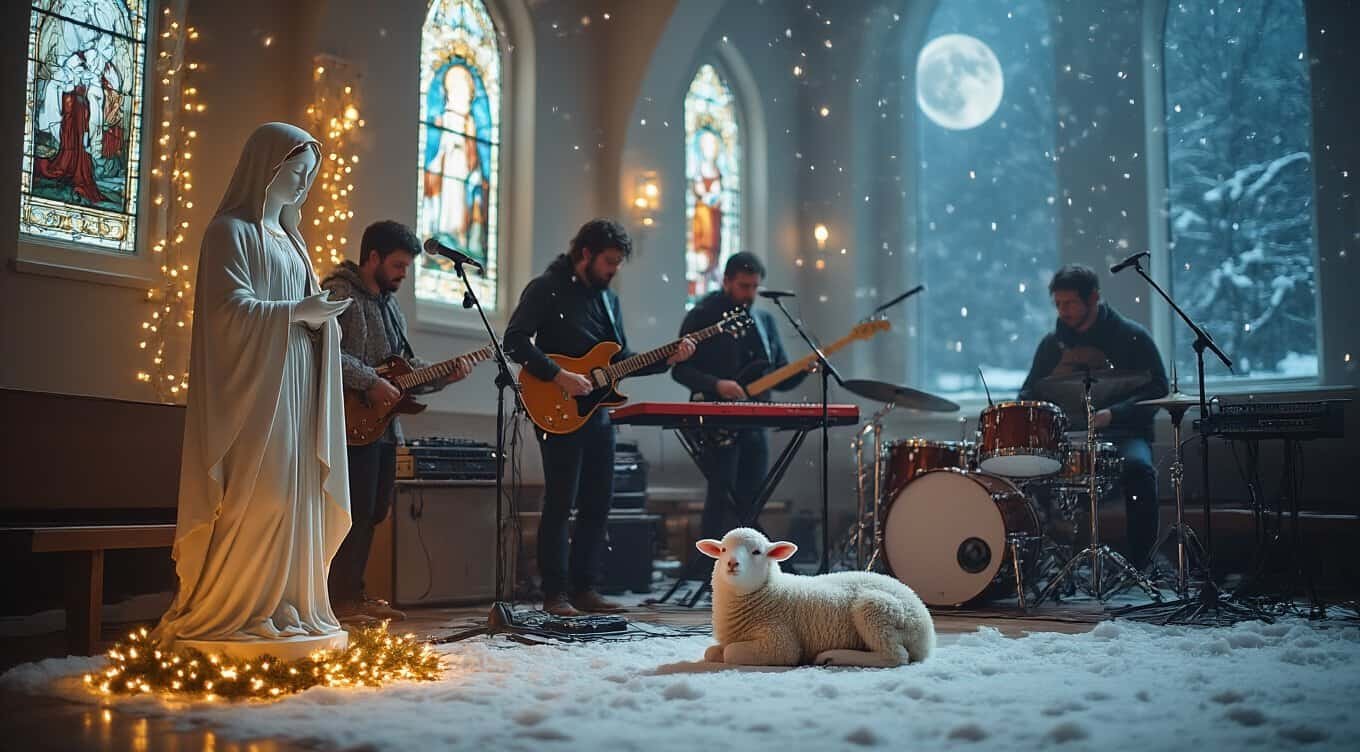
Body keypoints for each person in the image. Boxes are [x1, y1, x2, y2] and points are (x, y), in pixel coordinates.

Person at [154, 122, 351, 648]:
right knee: (262, 495)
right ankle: (239, 607)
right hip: (256, 390)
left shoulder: (292, 242)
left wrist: (322, 322)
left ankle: (288, 603)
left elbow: (302, 313)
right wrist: (296, 312)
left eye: (310, 175)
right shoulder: (230, 234)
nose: (305, 184)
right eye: (297, 171)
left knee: (296, 496)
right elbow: (225, 312)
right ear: (268, 167)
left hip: (298, 380)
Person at [504, 218, 696, 616]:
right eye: (609, 261)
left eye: (618, 263)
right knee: (560, 503)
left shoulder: (608, 300)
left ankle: (584, 588)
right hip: (555, 406)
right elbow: (515, 340)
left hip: (598, 415)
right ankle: (554, 593)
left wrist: (666, 360)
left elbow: (620, 361)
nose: (613, 270)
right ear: (585, 254)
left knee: (598, 503)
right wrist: (560, 375)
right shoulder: (546, 287)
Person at [322, 220, 471, 623]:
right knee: (349, 512)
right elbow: (323, 354)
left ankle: (354, 594)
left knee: (374, 511)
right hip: (348, 424)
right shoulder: (339, 295)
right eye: (399, 265)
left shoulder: (391, 307)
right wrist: (370, 381)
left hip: (384, 428)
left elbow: (405, 371)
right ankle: (337, 601)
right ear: (372, 258)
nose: (403, 274)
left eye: (407, 267)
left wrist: (444, 374)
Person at [1018, 264, 1169, 570]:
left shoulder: (1132, 337)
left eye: (1070, 303)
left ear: (1094, 298)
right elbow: (1028, 393)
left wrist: (1114, 414)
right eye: (1058, 304)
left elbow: (1159, 388)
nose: (1063, 311)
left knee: (1140, 470)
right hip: (1068, 437)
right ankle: (1043, 562)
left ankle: (1141, 564)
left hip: (1124, 433)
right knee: (1028, 470)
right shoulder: (1051, 345)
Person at [671, 252, 810, 543]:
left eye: (754, 287)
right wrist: (717, 384)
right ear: (726, 281)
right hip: (715, 423)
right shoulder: (702, 315)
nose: (750, 294)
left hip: (756, 421)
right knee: (721, 496)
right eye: (744, 286)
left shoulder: (765, 321)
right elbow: (680, 370)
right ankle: (709, 568)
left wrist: (806, 369)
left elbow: (779, 376)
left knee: (752, 498)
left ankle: (749, 569)